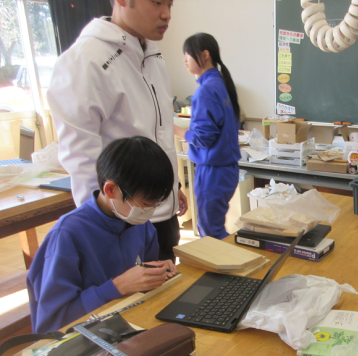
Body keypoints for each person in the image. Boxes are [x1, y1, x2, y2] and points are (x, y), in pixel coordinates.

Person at [47, 0, 187, 262]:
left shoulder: (151, 54)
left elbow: (158, 131)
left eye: (170, 4)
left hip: (160, 213)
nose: (166, 14)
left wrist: (172, 186)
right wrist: (102, 233)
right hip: (123, 224)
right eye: (157, 2)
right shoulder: (85, 60)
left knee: (168, 285)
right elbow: (83, 161)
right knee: (132, 289)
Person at [27, 137, 178, 334]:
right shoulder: (66, 235)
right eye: (146, 204)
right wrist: (118, 286)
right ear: (111, 189)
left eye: (156, 204)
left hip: (128, 324)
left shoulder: (140, 224)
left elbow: (145, 279)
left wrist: (157, 273)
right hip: (84, 338)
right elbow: (53, 323)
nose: (150, 212)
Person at [173, 33, 241, 239]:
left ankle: (229, 260)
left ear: (204, 55)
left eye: (187, 54)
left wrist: (174, 129)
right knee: (213, 229)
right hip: (226, 169)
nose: (184, 60)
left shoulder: (206, 91)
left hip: (213, 171)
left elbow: (203, 138)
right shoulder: (221, 84)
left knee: (210, 233)